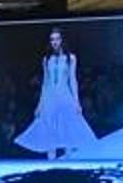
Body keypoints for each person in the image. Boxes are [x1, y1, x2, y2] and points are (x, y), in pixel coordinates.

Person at [11, 28, 97, 157]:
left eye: (57, 39)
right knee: (49, 135)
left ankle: (68, 163)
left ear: (62, 40)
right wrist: (39, 105)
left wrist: (77, 102)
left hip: (65, 96)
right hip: (50, 98)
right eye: (52, 39)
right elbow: (45, 83)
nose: (55, 42)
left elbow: (72, 80)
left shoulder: (71, 58)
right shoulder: (46, 59)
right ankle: (51, 165)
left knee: (68, 133)